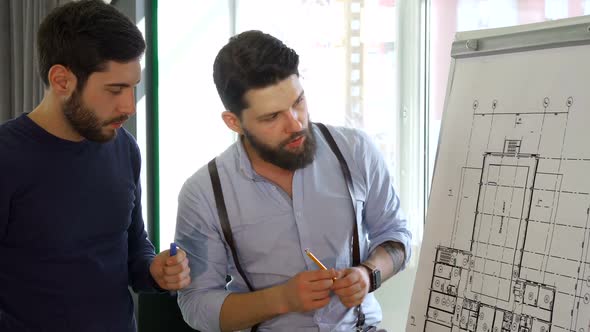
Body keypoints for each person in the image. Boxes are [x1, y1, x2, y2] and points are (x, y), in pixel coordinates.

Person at [175, 30, 411, 331]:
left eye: (298, 102)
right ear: (234, 122)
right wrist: (282, 299)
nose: (296, 123)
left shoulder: (355, 151)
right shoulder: (204, 193)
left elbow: (396, 234)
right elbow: (196, 306)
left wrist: (369, 274)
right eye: (272, 117)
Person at [0, 1, 190, 331]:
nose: (129, 106)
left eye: (133, 87)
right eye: (115, 90)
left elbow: (134, 250)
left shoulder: (124, 148)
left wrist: (156, 271)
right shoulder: (7, 156)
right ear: (61, 80)